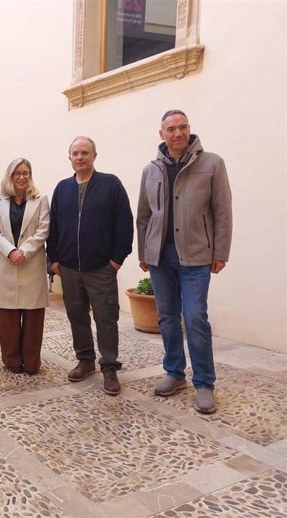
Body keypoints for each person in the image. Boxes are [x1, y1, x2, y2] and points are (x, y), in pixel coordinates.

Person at [137, 110, 232, 414]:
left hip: (196, 257)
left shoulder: (212, 164)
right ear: (161, 134)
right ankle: (175, 373)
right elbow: (143, 216)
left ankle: (204, 383)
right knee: (166, 317)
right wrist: (143, 251)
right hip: (160, 258)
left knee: (194, 318)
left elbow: (222, 212)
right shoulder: (150, 170)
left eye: (183, 127)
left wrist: (221, 252)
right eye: (171, 129)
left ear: (189, 130)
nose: (178, 133)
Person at [47, 137, 133, 395]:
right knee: (77, 316)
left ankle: (109, 366)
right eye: (75, 153)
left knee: (106, 318)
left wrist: (116, 260)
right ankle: (85, 359)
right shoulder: (62, 189)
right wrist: (54, 260)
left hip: (101, 268)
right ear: (70, 158)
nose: (80, 157)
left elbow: (124, 224)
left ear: (94, 155)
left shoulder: (110, 184)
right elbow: (54, 227)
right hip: (70, 268)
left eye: (85, 153)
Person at [0, 158, 50, 375]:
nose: (22, 177)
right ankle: (12, 360)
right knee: (8, 317)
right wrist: (11, 251)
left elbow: (43, 230)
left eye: (26, 173)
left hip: (31, 263)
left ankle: (32, 362)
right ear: (10, 176)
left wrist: (23, 251)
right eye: (18, 173)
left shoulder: (41, 200)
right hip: (7, 263)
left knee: (33, 315)